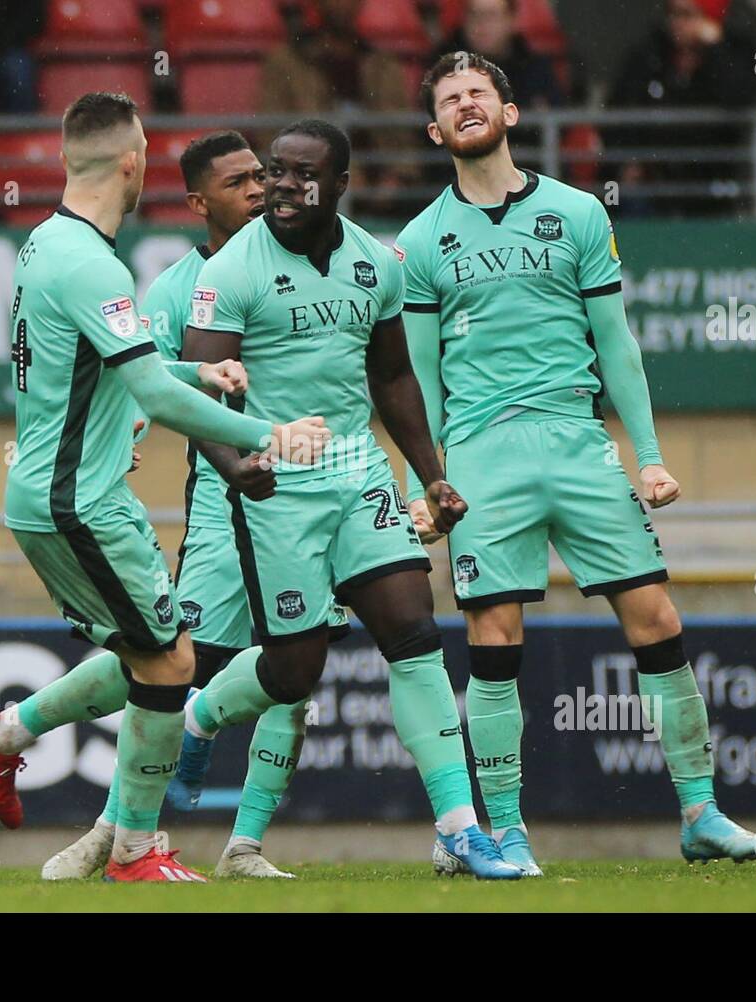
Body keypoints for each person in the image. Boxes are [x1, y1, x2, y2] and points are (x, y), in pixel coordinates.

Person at [395, 52, 756, 870]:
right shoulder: (421, 240)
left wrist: (650, 457)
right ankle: (505, 831)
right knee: (495, 638)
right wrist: (424, 484)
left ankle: (702, 814)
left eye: (479, 93)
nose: (467, 105)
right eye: (450, 99)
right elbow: (417, 378)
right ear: (435, 130)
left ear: (511, 112)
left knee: (660, 623)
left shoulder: (575, 213)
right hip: (480, 456)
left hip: (577, 441)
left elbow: (617, 343)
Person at [0, 93, 329, 884]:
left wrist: (197, 369)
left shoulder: (46, 246)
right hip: (82, 502)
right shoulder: (96, 264)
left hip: (46, 495)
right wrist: (273, 433)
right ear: (133, 163)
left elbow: (113, 365)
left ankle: (6, 738)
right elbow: (152, 400)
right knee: (169, 664)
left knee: (147, 654)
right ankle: (132, 850)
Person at [166, 118, 522, 880]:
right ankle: (200, 715)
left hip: (359, 473)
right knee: (294, 674)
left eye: (301, 176)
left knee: (413, 631)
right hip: (276, 483)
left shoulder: (376, 262)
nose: (281, 189)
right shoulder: (230, 272)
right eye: (274, 173)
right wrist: (234, 467)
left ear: (339, 184)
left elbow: (393, 377)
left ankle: (461, 828)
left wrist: (431, 473)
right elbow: (198, 394)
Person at [42, 131, 351, 881]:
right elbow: (136, 381)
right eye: (239, 180)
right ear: (196, 201)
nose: (257, 188)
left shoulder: (315, 259)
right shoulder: (178, 288)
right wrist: (126, 439)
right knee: (175, 663)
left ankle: (244, 846)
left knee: (296, 672)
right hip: (223, 499)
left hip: (317, 493)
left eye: (262, 175)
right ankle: (109, 827)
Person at [258, 0, 418, 209]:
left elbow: (403, 132)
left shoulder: (382, 65)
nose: (343, 5)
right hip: (310, 187)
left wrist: (397, 176)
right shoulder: (286, 63)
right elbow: (270, 132)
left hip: (384, 192)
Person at [605, 0, 756, 216]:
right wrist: (629, 160)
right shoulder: (650, 52)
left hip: (711, 183)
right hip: (652, 185)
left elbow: (738, 97)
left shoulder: (736, 49)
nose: (677, 23)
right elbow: (618, 110)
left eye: (687, 15)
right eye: (673, 14)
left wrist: (715, 47)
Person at [431, 0, 563, 111]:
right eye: (474, 14)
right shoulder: (443, 63)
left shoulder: (534, 66)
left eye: (491, 15)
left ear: (512, 20)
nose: (482, 24)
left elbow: (555, 123)